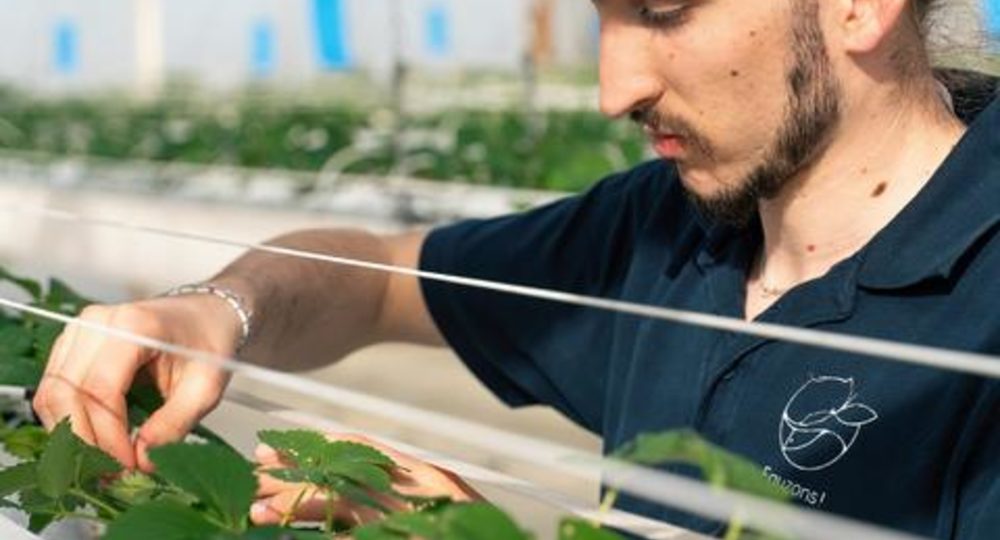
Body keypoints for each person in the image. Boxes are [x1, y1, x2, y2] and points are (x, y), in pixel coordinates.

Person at [31, 0, 1000, 537]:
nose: (611, 87)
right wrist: (216, 312)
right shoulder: (665, 234)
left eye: (661, 9)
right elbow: (371, 274)